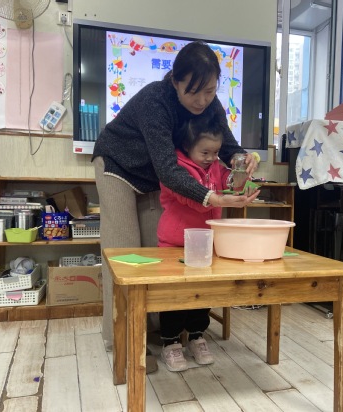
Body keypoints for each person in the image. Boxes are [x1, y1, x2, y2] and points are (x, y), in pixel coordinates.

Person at [92, 40, 260, 372]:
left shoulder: (211, 105)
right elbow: (169, 169)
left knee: (157, 258)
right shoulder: (155, 101)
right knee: (123, 254)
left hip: (155, 176)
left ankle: (160, 332)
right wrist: (211, 198)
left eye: (209, 91)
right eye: (193, 92)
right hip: (118, 166)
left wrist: (244, 159)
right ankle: (121, 339)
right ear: (174, 80)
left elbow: (228, 146)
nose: (202, 100)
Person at [157, 115, 231, 371]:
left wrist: (240, 175)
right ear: (187, 147)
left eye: (216, 152)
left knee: (203, 292)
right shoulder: (175, 168)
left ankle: (197, 336)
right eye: (205, 152)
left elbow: (228, 182)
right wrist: (220, 199)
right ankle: (170, 342)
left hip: (205, 242)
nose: (211, 158)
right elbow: (194, 200)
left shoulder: (216, 166)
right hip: (174, 243)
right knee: (175, 294)